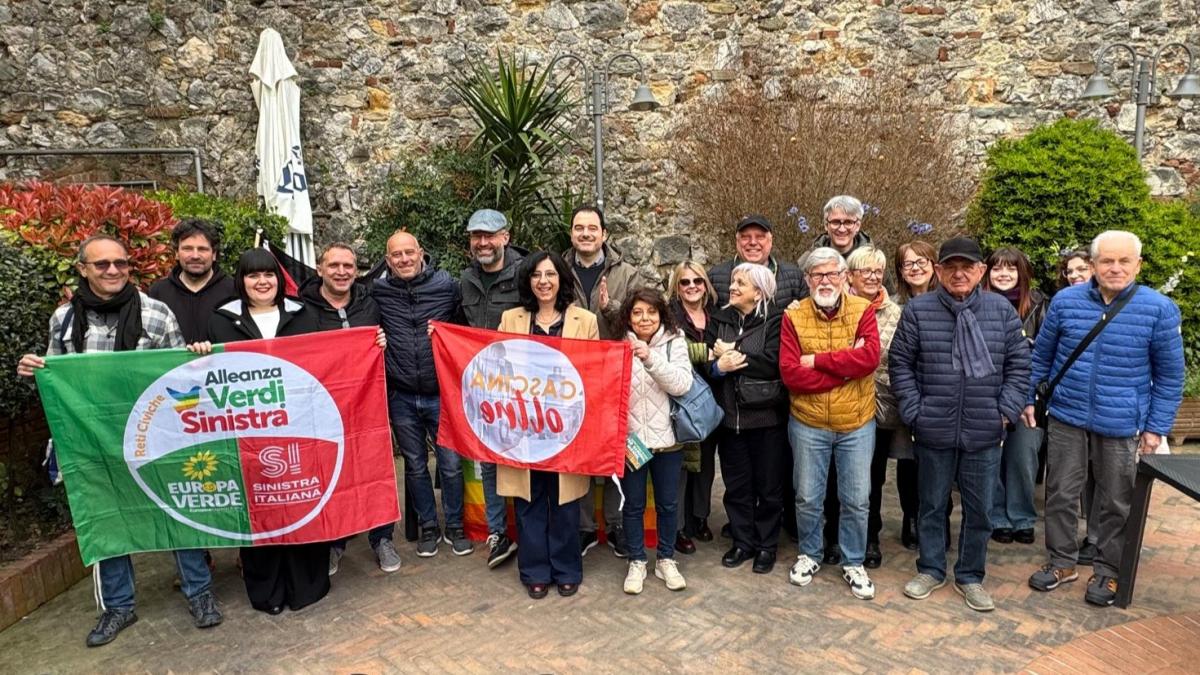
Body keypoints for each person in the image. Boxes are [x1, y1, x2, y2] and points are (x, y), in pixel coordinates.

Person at [17, 235, 222, 647]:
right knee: (106, 519)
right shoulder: (64, 320)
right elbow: (56, 374)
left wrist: (195, 356)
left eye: (121, 263)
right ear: (83, 269)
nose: (113, 271)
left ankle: (199, 592)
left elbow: (177, 377)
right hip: (92, 439)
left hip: (152, 434)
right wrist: (36, 368)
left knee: (176, 509)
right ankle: (118, 606)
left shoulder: (156, 314)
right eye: (102, 264)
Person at [1025, 231, 1184, 606]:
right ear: (1093, 265)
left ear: (1138, 265)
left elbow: (1170, 376)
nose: (1115, 268)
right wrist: (1029, 398)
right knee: (1061, 493)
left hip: (1121, 422)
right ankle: (1062, 562)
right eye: (1107, 261)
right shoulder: (1066, 302)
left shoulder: (1159, 309)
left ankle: (1108, 569)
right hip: (1067, 415)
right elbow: (1041, 356)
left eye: (1124, 261)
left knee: (1116, 500)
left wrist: (1156, 428)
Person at [890, 236, 1031, 613]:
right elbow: (900, 364)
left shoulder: (1000, 311)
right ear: (938, 271)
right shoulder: (918, 310)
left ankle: (970, 575)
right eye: (950, 267)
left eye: (967, 267)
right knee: (931, 505)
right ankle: (931, 569)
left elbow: (1019, 365)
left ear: (980, 271)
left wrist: (1005, 411)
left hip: (984, 429)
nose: (958, 274)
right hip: (933, 427)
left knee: (980, 509)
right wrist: (915, 410)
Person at [204, 248, 329, 614]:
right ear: (241, 281)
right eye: (253, 275)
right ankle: (267, 592)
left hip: (300, 429)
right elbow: (207, 371)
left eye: (269, 274)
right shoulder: (221, 320)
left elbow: (328, 357)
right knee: (261, 509)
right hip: (249, 434)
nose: (262, 282)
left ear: (278, 278)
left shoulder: (304, 314)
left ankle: (307, 586)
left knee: (301, 503)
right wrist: (199, 351)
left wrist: (372, 343)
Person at [779, 248, 881, 600]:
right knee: (808, 496)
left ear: (844, 277)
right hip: (808, 423)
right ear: (807, 280)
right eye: (817, 275)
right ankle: (810, 554)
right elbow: (791, 374)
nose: (825, 281)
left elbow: (869, 358)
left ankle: (854, 561)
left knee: (856, 499)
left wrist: (817, 361)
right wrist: (844, 372)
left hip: (856, 423)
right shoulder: (793, 316)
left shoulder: (863, 310)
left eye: (831, 274)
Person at [496, 251, 598, 599]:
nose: (543, 281)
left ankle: (567, 569)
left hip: (566, 427)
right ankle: (535, 571)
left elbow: (594, 370)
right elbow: (495, 365)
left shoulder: (584, 320)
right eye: (537, 275)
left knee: (565, 504)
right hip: (524, 428)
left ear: (561, 279)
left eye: (551, 274)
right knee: (529, 502)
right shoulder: (511, 319)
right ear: (528, 281)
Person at [296, 243, 400, 576]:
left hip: (368, 407)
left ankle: (382, 538)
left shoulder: (370, 305)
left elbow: (388, 339)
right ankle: (336, 541)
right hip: (324, 410)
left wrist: (382, 342)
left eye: (348, 266)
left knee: (376, 470)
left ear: (356, 271)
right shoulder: (301, 311)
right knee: (334, 472)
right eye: (334, 266)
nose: (341, 272)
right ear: (320, 269)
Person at [372, 231, 471, 558]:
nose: (404, 259)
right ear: (388, 260)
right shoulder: (379, 292)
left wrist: (449, 334)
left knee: (451, 464)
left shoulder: (447, 286)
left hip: (441, 392)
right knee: (414, 465)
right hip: (401, 395)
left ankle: (455, 525)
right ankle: (429, 525)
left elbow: (465, 326)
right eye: (396, 255)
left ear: (421, 253)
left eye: (409, 252)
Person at [563, 205, 644, 559]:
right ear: (571, 233)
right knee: (579, 452)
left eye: (592, 228)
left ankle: (616, 524)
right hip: (570, 377)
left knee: (615, 451)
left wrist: (611, 308)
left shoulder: (627, 273)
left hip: (615, 376)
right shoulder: (557, 270)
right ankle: (584, 528)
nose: (585, 234)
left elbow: (642, 318)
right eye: (579, 228)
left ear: (604, 234)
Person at [818, 246, 903, 570]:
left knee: (871, 479)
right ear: (849, 276)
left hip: (876, 404)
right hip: (836, 401)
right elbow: (826, 353)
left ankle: (869, 537)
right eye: (865, 270)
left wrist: (856, 360)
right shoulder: (833, 308)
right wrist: (854, 358)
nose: (872, 276)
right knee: (833, 476)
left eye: (877, 271)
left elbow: (896, 361)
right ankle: (833, 535)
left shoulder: (896, 314)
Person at [705, 263, 787, 575]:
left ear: (759, 292)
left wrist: (733, 352)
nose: (733, 287)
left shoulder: (776, 321)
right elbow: (706, 364)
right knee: (737, 487)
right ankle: (743, 542)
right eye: (733, 281)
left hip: (766, 421)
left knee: (768, 488)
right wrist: (719, 367)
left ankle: (766, 545)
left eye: (741, 283)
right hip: (730, 422)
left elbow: (773, 363)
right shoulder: (720, 319)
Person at [618, 288, 695, 594]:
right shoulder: (618, 346)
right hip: (632, 442)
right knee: (633, 504)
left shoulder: (675, 342)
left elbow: (682, 384)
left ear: (661, 315)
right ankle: (636, 560)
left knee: (668, 503)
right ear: (628, 317)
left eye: (651, 312)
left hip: (668, 440)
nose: (644, 318)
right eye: (637, 312)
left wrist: (650, 358)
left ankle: (665, 558)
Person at [459, 208, 524, 568]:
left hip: (522, 385)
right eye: (476, 236)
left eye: (489, 235)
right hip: (484, 386)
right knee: (488, 461)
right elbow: (458, 325)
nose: (482, 242)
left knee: (525, 457)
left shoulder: (526, 273)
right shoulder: (466, 279)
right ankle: (498, 532)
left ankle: (529, 529)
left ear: (505, 237)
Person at [983, 248, 1047, 546]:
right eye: (997, 268)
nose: (1004, 274)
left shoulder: (1040, 306)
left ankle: (1022, 517)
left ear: (1022, 272)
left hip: (1027, 400)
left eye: (1011, 268)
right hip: (987, 396)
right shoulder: (977, 302)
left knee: (1023, 457)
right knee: (991, 458)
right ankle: (997, 517)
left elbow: (1043, 357)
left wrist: (1026, 397)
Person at [891, 240, 941, 550]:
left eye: (922, 261)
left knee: (938, 463)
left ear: (934, 265)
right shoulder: (893, 304)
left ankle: (936, 520)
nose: (916, 268)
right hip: (904, 393)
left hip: (939, 393)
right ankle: (911, 518)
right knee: (908, 461)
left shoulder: (949, 300)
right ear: (900, 270)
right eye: (908, 263)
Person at [667, 262, 719, 551]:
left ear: (705, 284)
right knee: (681, 467)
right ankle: (678, 527)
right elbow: (667, 349)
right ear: (677, 287)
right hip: (681, 400)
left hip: (712, 399)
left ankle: (700, 517)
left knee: (705, 464)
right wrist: (707, 352)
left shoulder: (717, 314)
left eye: (697, 281)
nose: (692, 286)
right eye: (685, 282)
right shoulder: (668, 317)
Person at [1055, 247, 1100, 564]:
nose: (1075, 275)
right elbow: (1046, 352)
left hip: (1112, 410)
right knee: (1065, 483)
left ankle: (1097, 541)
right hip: (1068, 406)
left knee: (1104, 483)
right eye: (1070, 271)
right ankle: (1062, 555)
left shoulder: (1133, 305)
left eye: (1081, 269)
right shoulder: (1062, 303)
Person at [148, 218, 235, 343]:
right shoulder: (158, 292)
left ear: (214, 254)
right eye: (187, 248)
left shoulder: (233, 291)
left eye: (202, 249)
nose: (195, 256)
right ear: (176, 253)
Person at [708, 214, 806, 307]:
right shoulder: (714, 278)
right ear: (737, 241)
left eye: (760, 237)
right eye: (745, 237)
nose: (753, 242)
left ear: (770, 241)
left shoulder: (795, 277)